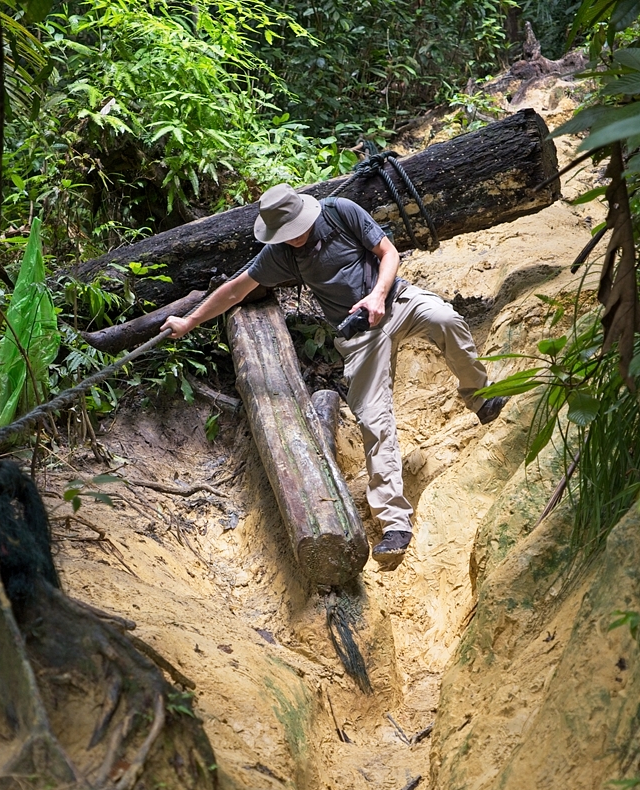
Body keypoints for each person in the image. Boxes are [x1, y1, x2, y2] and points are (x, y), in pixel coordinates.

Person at [163, 182, 507, 564]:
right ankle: (395, 524)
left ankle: (480, 396)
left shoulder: (340, 212)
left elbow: (388, 253)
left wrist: (377, 295)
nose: (292, 238)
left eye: (295, 230)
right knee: (374, 419)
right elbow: (234, 291)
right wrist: (188, 321)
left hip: (396, 301)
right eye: (284, 234)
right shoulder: (280, 255)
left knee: (445, 318)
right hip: (360, 337)